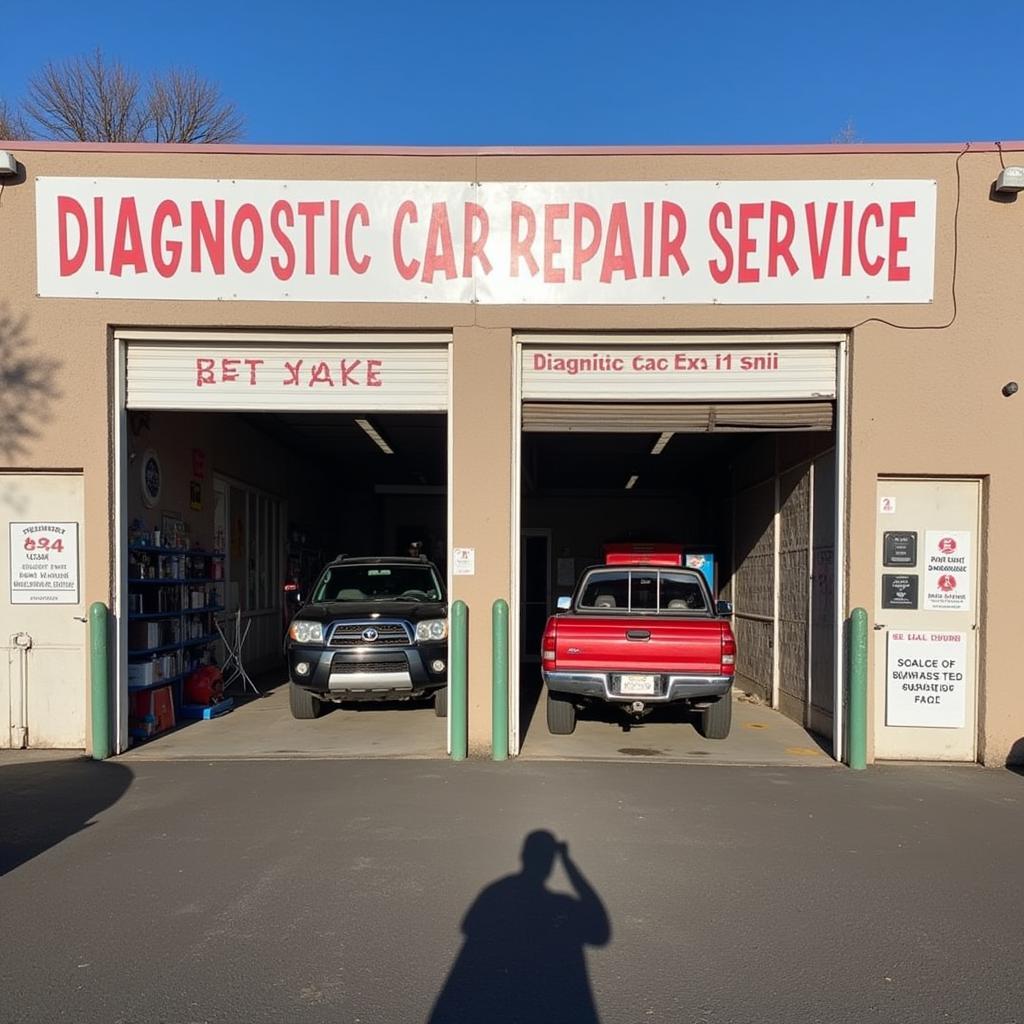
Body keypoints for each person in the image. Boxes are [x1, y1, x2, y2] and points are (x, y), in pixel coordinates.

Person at [428, 830, 610, 1023]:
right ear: (550, 864)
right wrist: (567, 862)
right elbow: (600, 931)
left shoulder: (495, 897)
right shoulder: (560, 909)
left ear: (523, 856)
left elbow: (469, 933)